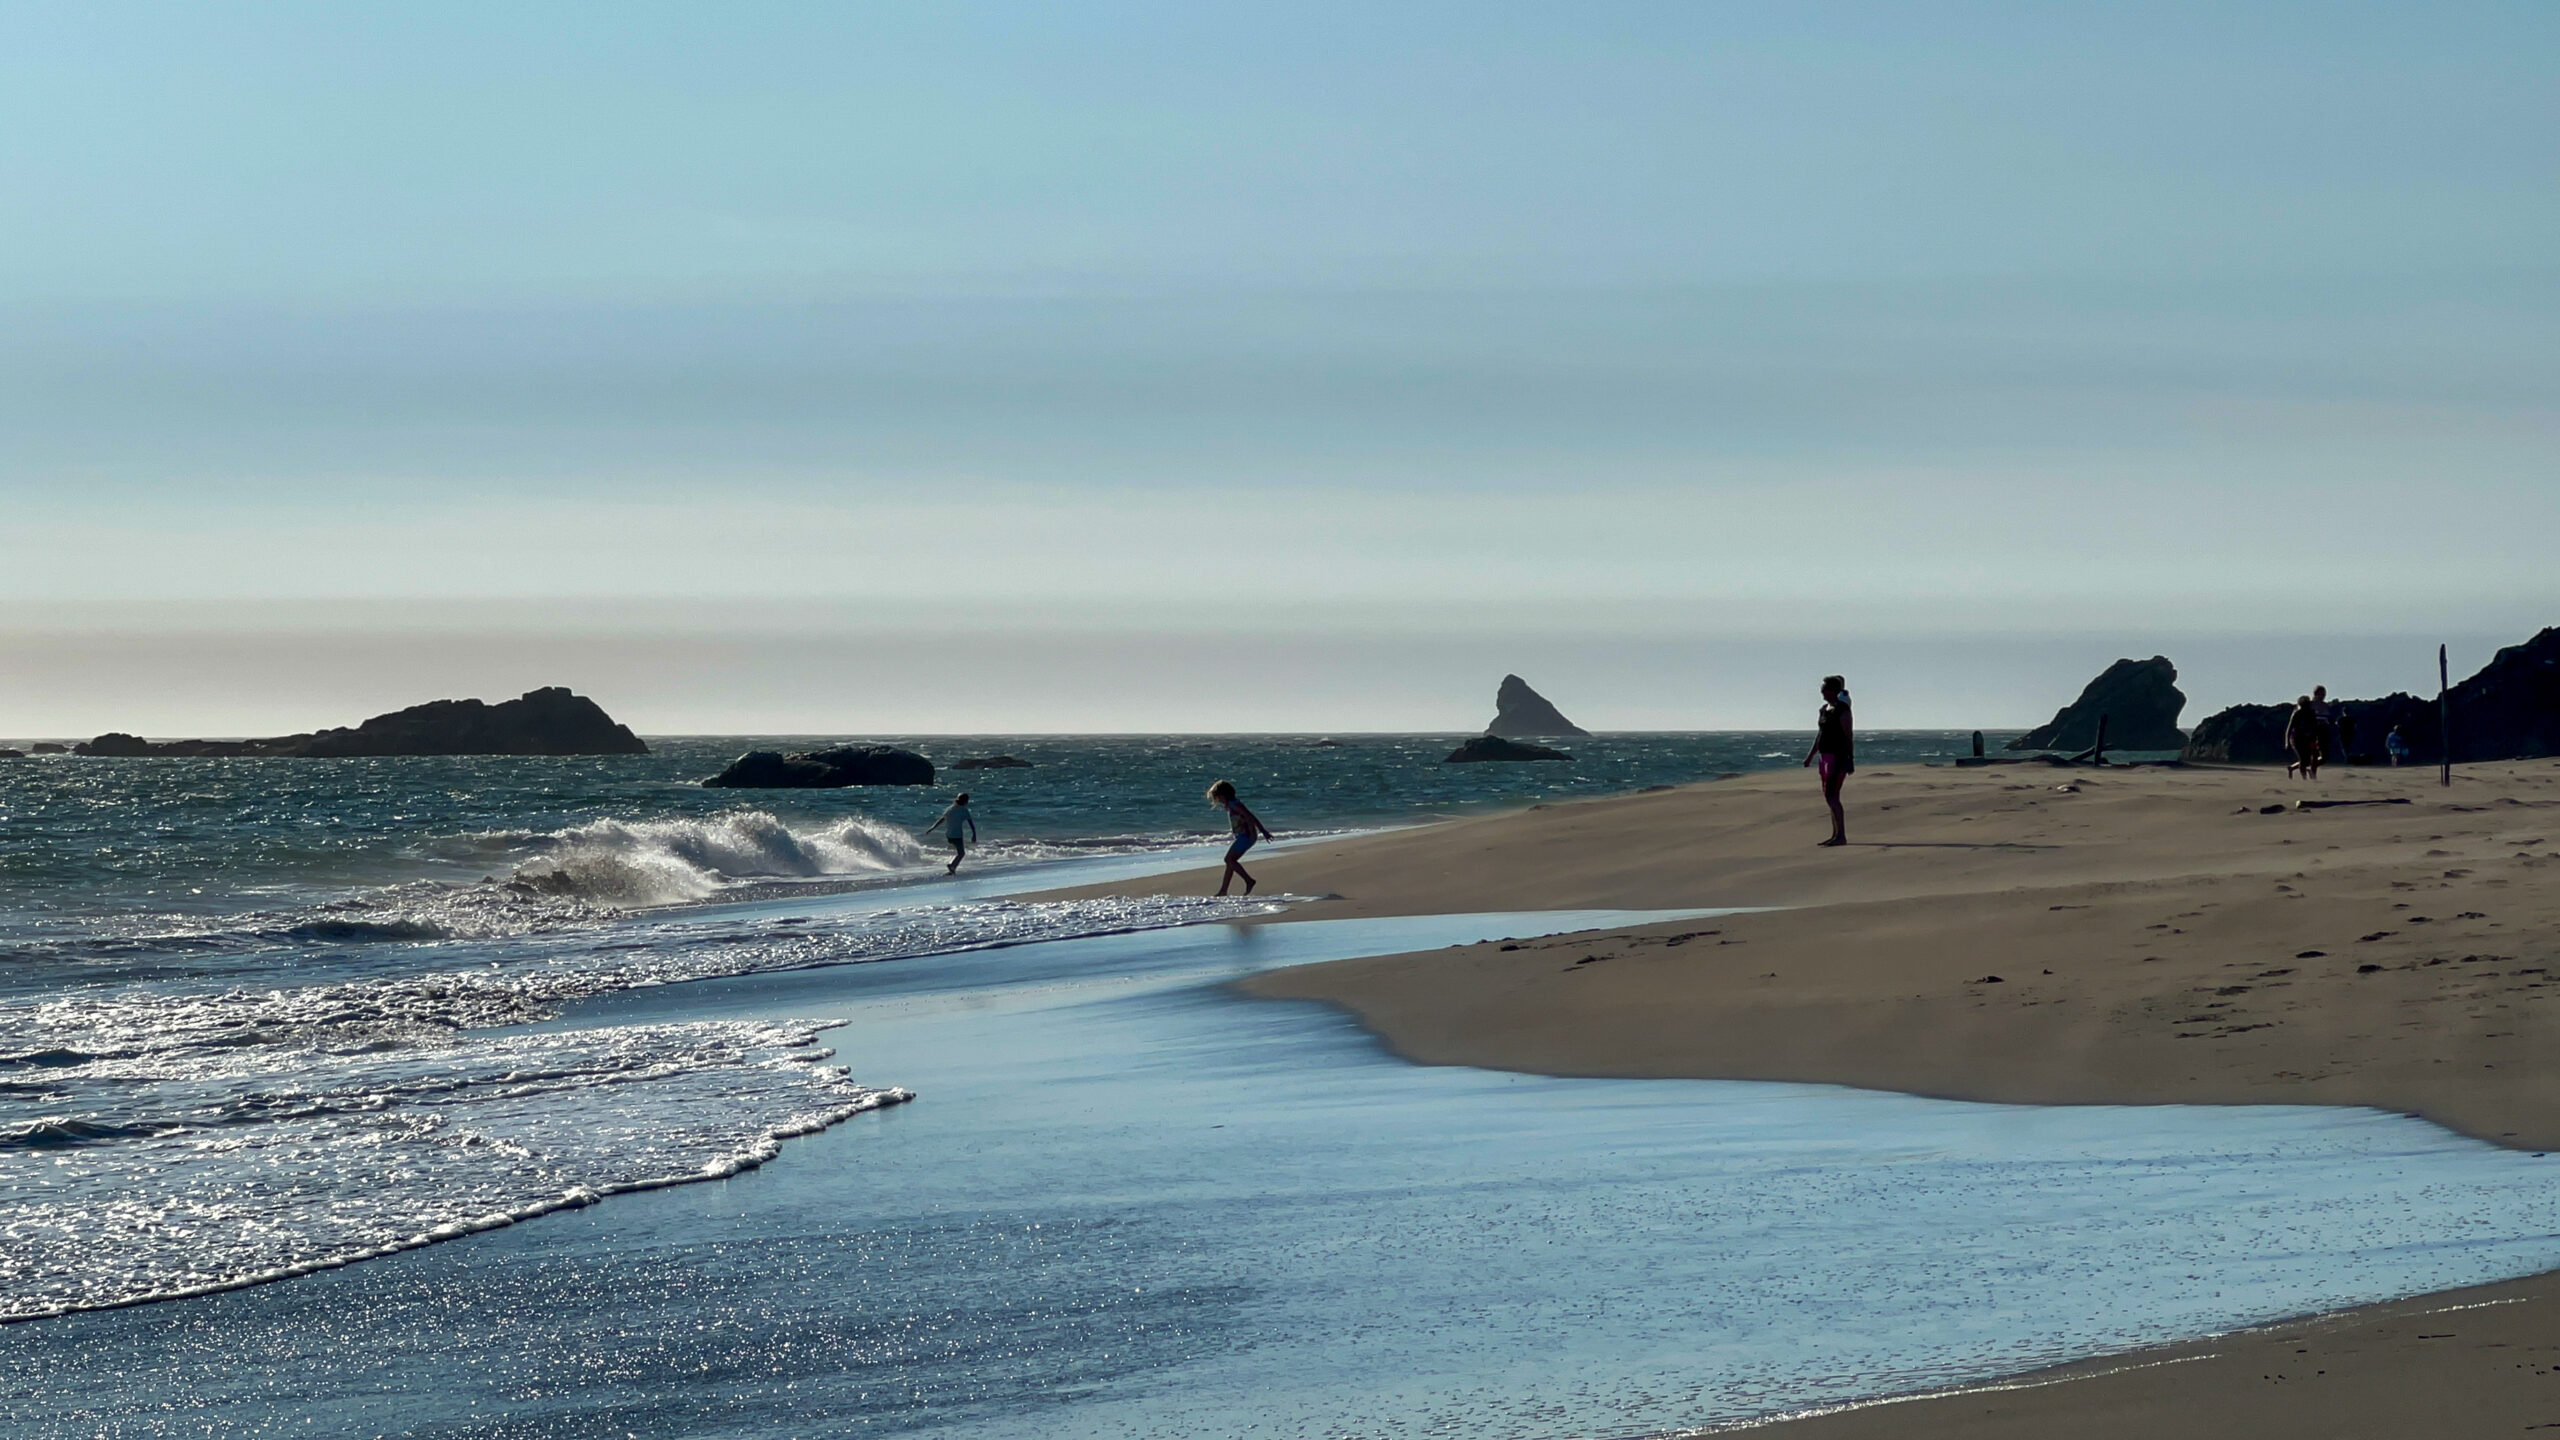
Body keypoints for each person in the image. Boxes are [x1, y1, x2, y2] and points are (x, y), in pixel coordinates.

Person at [1801, 675, 1854, 847]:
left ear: (1832, 690)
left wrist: (1849, 760)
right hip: (1824, 757)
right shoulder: (1824, 709)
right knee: (1829, 795)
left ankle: (1841, 836)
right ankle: (1835, 834)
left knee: (1832, 796)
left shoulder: (1843, 710)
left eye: (1824, 688)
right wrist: (1810, 756)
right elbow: (1820, 735)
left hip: (1837, 758)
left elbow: (1848, 737)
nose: (1821, 691)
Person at [1206, 779, 1276, 896]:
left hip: (1246, 836)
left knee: (1229, 860)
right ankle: (1223, 890)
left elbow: (1250, 816)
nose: (1218, 801)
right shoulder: (1231, 804)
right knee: (1231, 861)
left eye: (1218, 797)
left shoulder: (1234, 804)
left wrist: (1263, 831)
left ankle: (1248, 880)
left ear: (1224, 795)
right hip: (1244, 836)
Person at [920, 791, 977, 874]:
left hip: (949, 835)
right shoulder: (964, 811)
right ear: (965, 801)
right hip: (957, 835)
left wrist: (932, 828)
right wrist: (974, 834)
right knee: (961, 853)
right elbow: (971, 823)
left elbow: (942, 819)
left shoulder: (950, 809)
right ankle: (952, 866)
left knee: (958, 850)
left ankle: (952, 868)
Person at [2286, 696, 2324, 780]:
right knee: (2303, 759)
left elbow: (2315, 727)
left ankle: (2293, 768)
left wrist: (2317, 739)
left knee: (2310, 759)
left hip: (2309, 739)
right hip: (2297, 739)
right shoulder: (2297, 714)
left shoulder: (2311, 713)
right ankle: (2304, 779)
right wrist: (2287, 742)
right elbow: (2289, 728)